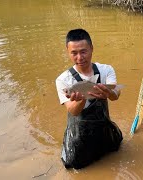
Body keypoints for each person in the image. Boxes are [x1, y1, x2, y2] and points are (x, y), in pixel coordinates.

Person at [55, 28, 123, 169]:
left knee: (113, 155)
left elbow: (115, 95)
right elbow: (73, 111)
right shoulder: (62, 80)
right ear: (68, 52)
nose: (80, 57)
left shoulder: (106, 70)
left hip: (103, 126)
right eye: (74, 53)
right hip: (79, 131)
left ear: (92, 49)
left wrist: (108, 94)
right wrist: (82, 99)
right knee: (76, 165)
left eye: (83, 51)